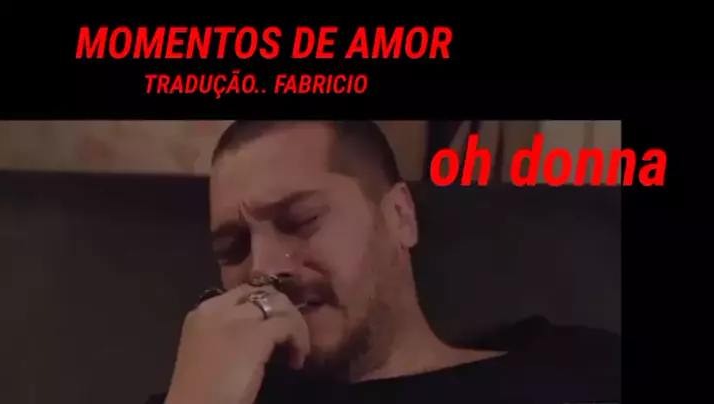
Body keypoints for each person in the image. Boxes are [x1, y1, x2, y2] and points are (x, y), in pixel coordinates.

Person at [149, 121, 621, 404]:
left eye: (301, 220)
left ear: (399, 217)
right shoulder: (199, 392)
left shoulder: (580, 367)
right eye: (232, 247)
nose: (261, 268)